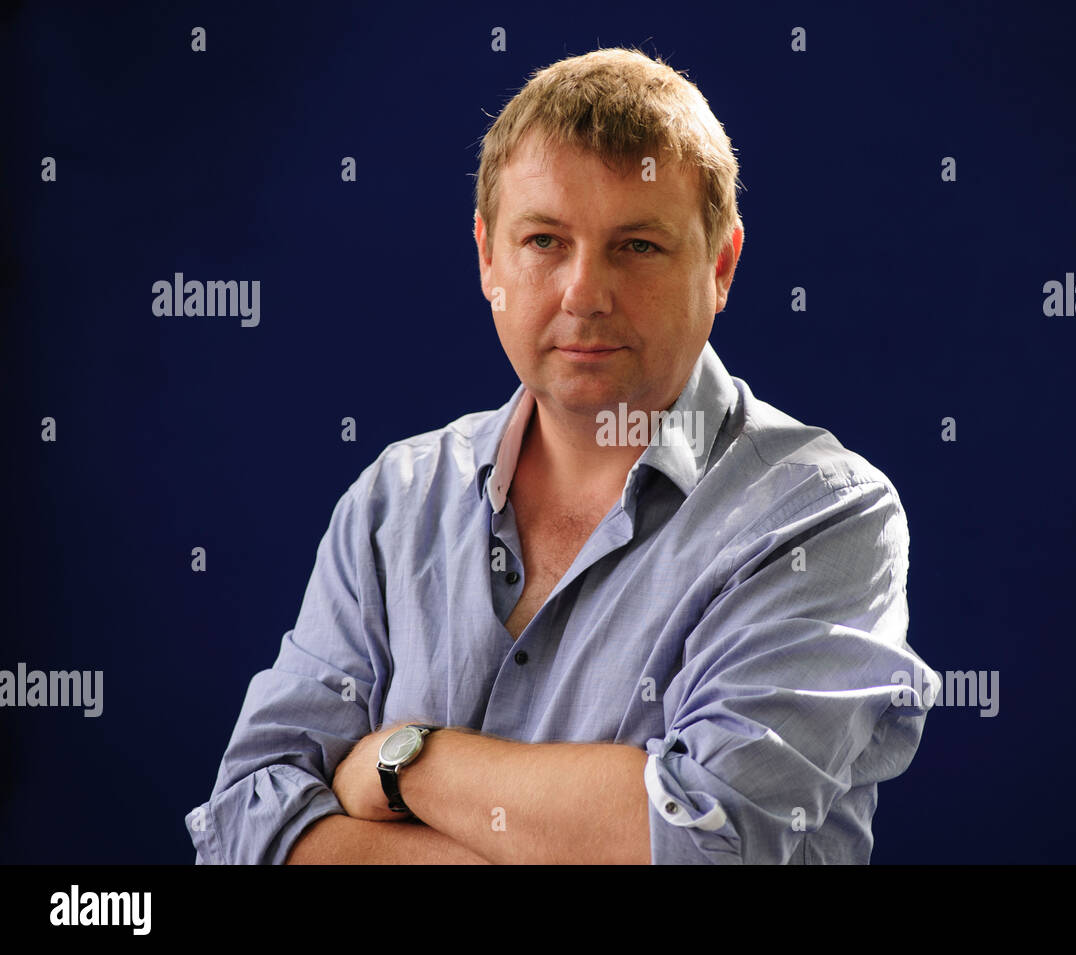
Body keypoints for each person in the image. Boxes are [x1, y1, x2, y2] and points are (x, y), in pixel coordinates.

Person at [187, 46, 939, 865]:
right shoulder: (393, 501)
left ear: (720, 265)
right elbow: (245, 825)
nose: (585, 292)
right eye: (545, 240)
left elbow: (709, 842)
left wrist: (406, 758)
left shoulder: (822, 516)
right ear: (487, 258)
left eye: (638, 246)